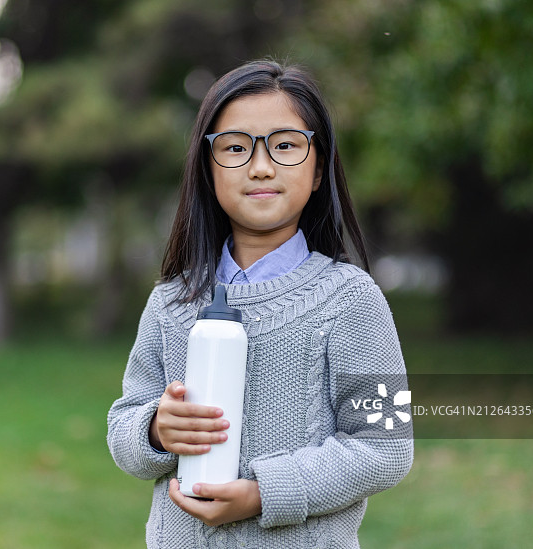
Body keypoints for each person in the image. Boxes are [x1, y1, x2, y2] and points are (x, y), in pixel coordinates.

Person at [107, 59, 413, 548]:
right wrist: (156, 431)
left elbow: (386, 447)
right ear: (208, 169)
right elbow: (124, 427)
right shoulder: (171, 301)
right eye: (235, 147)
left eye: (286, 145)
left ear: (318, 168)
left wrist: (264, 493)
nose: (261, 166)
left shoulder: (352, 299)